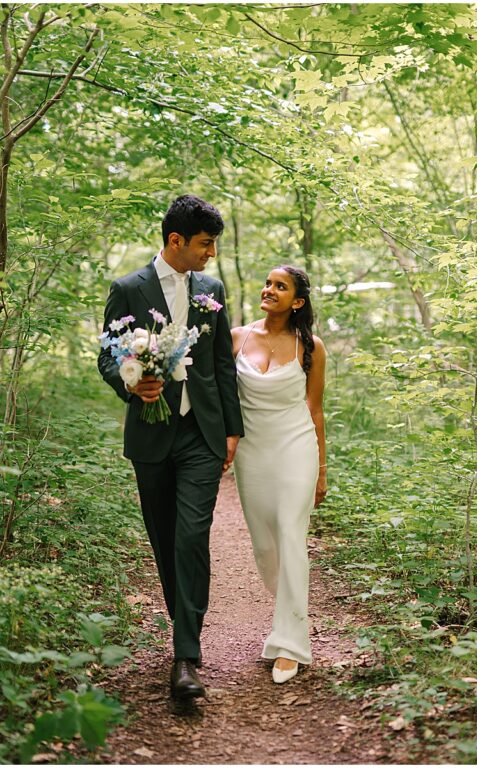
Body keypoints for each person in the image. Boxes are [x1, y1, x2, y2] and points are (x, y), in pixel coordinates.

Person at [99, 194, 243, 699]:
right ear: (176, 241)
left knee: (191, 537)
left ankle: (186, 657)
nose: (211, 254)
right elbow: (107, 356)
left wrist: (232, 428)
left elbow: (221, 364)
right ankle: (183, 630)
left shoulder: (212, 288)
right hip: (151, 433)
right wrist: (132, 381)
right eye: (205, 245)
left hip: (201, 433)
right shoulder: (127, 289)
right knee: (164, 540)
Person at [230, 265, 327, 684]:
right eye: (268, 283)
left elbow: (315, 409)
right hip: (253, 454)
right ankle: (291, 612)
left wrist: (322, 469)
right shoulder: (236, 337)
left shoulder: (311, 347)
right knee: (267, 549)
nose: (269, 289)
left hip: (296, 450)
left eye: (280, 286)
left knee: (291, 534)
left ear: (297, 301)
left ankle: (290, 643)